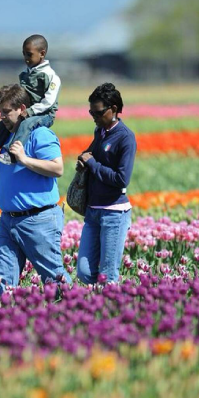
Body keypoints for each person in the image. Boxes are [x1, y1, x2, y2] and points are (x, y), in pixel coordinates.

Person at [0, 84, 72, 292]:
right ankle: (4, 319)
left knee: (55, 279)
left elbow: (57, 168)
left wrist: (25, 160)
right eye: (0, 112)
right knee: (3, 281)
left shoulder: (40, 134)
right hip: (8, 220)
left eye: (6, 111)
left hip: (38, 220)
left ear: (23, 109)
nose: (2, 117)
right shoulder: (7, 136)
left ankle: (75, 311)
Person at [0, 33, 61, 171]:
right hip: (27, 111)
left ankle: (10, 154)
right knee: (1, 125)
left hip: (44, 114)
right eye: (24, 54)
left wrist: (30, 111)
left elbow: (49, 102)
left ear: (42, 53)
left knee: (27, 124)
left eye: (29, 54)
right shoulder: (26, 73)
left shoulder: (50, 76)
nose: (26, 59)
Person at [76, 83, 136, 286]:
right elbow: (92, 154)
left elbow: (121, 179)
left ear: (114, 109)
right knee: (85, 272)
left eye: (98, 112)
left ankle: (108, 309)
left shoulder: (125, 138)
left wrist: (92, 163)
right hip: (93, 211)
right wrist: (83, 160)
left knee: (107, 275)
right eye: (91, 112)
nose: (94, 116)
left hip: (114, 213)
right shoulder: (100, 132)